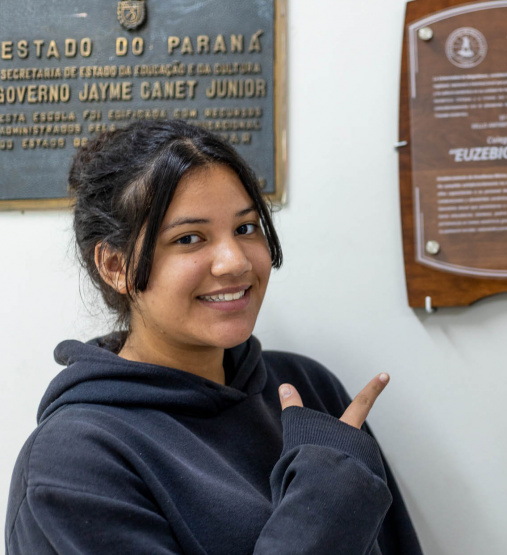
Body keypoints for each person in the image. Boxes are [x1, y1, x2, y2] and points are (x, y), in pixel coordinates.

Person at [5, 120, 423, 554]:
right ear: (116, 266)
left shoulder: (305, 387)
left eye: (245, 228)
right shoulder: (73, 463)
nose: (234, 261)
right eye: (189, 238)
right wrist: (325, 508)